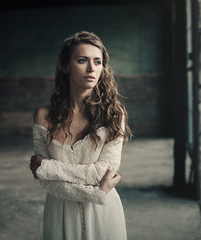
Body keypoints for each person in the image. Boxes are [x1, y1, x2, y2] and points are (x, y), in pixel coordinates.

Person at [29, 31, 132, 240]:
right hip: (60, 212)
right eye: (82, 60)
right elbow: (46, 182)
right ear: (66, 66)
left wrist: (48, 167)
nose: (91, 68)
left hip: (104, 214)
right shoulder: (43, 116)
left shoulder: (114, 114)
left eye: (98, 62)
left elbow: (102, 173)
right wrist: (96, 193)